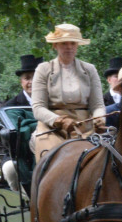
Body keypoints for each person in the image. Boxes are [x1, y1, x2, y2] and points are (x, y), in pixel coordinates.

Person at [31, 23, 106, 162]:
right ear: (55, 45)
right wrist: (59, 121)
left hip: (86, 128)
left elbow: (97, 105)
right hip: (52, 129)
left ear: (77, 45)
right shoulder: (43, 69)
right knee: (51, 160)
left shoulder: (90, 69)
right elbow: (38, 108)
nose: (69, 47)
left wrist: (99, 119)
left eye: (73, 43)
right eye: (64, 43)